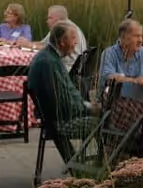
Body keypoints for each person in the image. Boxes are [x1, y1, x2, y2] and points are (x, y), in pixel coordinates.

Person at [28, 20, 95, 164]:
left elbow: (66, 95)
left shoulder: (50, 57)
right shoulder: (49, 63)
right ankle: (101, 167)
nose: (76, 43)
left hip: (57, 117)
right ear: (62, 41)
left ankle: (87, 164)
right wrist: (87, 108)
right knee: (106, 123)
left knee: (105, 116)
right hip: (60, 122)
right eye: (73, 38)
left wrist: (86, 106)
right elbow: (63, 103)